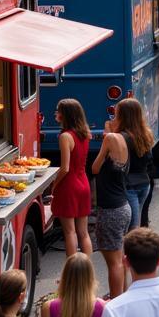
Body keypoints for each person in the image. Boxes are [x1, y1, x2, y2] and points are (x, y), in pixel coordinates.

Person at [91, 125, 132, 299]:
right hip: (123, 206)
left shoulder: (111, 139)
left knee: (113, 263)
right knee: (120, 258)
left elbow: (95, 168)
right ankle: (123, 296)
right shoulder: (128, 138)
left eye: (115, 116)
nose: (111, 120)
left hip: (111, 210)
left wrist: (106, 137)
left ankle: (116, 301)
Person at [53, 98, 93, 257]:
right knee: (84, 233)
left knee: (70, 232)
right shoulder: (86, 133)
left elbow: (65, 168)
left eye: (58, 110)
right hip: (84, 183)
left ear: (65, 115)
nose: (56, 113)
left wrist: (54, 185)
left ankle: (71, 274)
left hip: (69, 186)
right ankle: (87, 273)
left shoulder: (65, 137)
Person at [113, 98, 156, 231]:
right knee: (134, 223)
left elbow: (115, 164)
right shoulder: (146, 133)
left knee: (132, 228)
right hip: (144, 183)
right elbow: (149, 159)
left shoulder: (120, 137)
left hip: (129, 185)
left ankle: (133, 251)